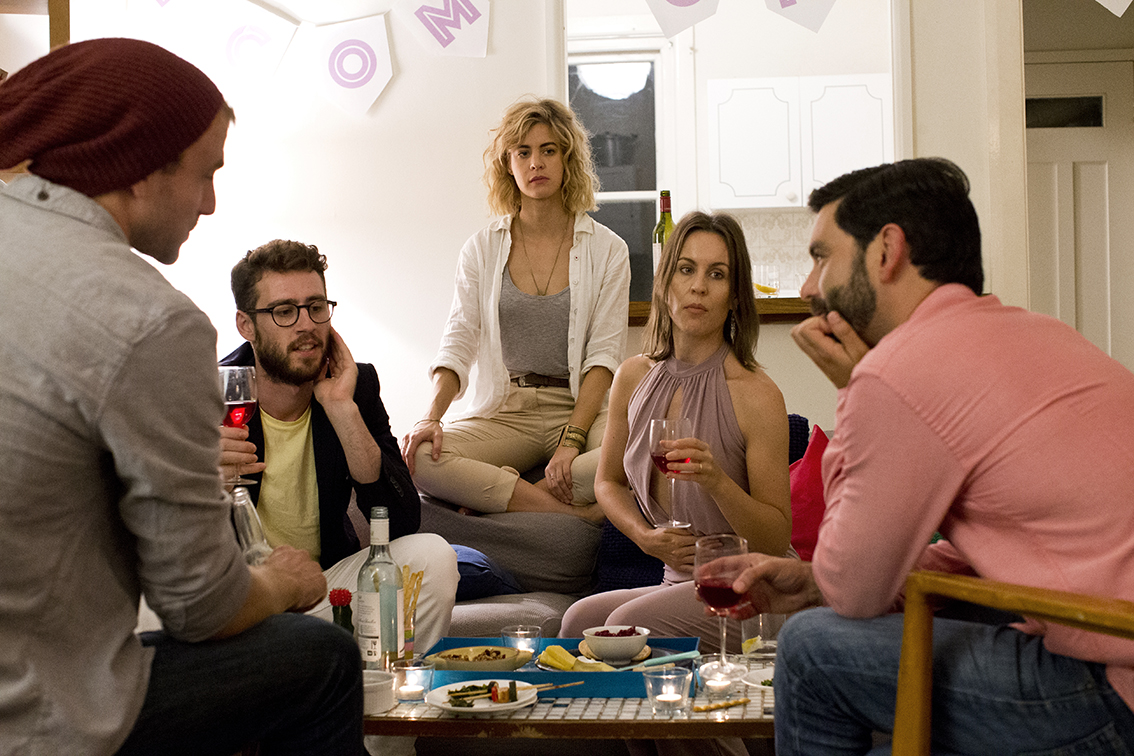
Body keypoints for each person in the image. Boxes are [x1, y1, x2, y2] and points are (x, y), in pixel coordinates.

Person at [0, 39, 363, 756]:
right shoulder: (148, 318)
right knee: (320, 658)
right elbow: (201, 606)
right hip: (37, 715)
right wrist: (283, 583)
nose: (211, 203)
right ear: (141, 167)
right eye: (206, 174)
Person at [701, 157, 1134, 755]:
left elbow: (855, 593)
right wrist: (813, 582)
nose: (807, 288)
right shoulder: (1038, 333)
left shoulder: (901, 371)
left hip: (1111, 688)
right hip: (1105, 645)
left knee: (809, 650)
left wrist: (853, 391)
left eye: (822, 257)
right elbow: (1023, 546)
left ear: (887, 251)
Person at [559, 211, 792, 653]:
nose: (698, 286)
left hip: (750, 585)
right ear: (665, 284)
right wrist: (645, 537)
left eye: (717, 274)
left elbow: (776, 539)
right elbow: (608, 483)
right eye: (686, 269)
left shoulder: (757, 394)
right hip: (678, 582)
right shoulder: (632, 376)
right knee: (578, 621)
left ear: (735, 296)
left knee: (625, 626)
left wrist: (716, 480)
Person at [218, 238, 459, 655]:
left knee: (433, 555)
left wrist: (342, 411)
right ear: (246, 325)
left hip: (323, 591)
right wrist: (203, 480)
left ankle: (378, 688)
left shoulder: (355, 386)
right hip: (243, 598)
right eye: (284, 311)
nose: (306, 324)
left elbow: (402, 522)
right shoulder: (211, 395)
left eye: (316, 307)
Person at [400, 97, 630, 521]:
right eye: (522, 152)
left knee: (637, 454)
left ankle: (512, 497)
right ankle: (575, 513)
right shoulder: (481, 248)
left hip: (578, 410)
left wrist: (572, 441)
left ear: (567, 159)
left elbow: (603, 358)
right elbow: (458, 342)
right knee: (419, 458)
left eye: (548, 150)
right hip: (508, 412)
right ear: (508, 164)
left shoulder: (609, 250)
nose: (535, 163)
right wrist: (430, 418)